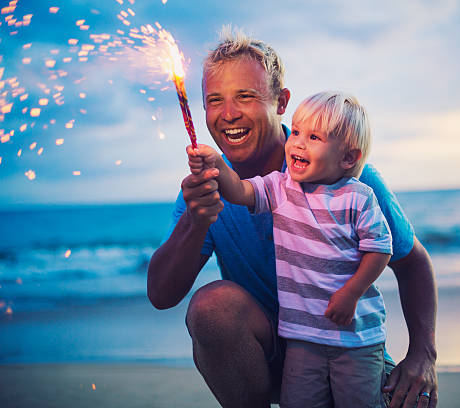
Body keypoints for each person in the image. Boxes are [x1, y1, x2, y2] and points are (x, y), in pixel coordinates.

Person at [147, 27, 438, 408]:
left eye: (246, 97)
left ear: (281, 101)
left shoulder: (345, 174)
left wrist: (422, 356)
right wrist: (195, 221)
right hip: (270, 355)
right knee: (212, 307)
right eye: (214, 100)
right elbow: (161, 294)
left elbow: (411, 261)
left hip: (347, 351)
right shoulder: (206, 190)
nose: (228, 114)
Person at [189, 91, 393, 407]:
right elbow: (240, 191)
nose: (297, 143)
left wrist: (352, 292)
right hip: (301, 337)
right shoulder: (281, 187)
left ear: (348, 158)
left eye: (314, 137)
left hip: (355, 339)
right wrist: (215, 163)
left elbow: (379, 250)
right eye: (296, 131)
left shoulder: (358, 196)